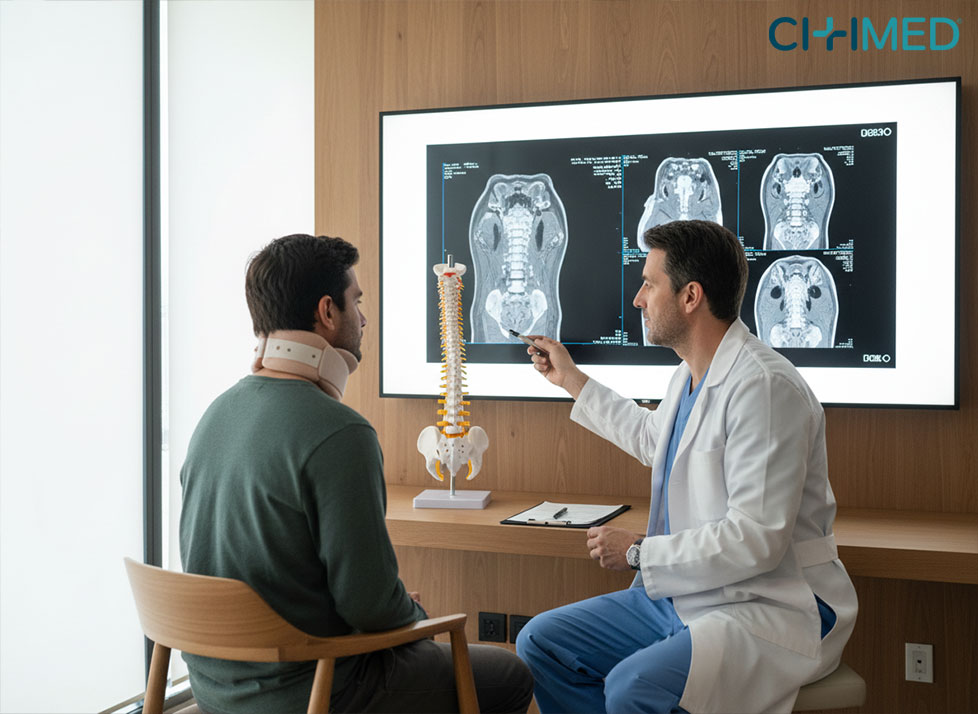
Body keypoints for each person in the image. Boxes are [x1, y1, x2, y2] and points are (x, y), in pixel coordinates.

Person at [180, 234, 533, 714]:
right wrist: (411, 613)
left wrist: (382, 605)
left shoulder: (215, 415)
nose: (364, 319)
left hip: (215, 687)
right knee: (510, 674)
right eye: (357, 302)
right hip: (314, 687)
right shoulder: (340, 432)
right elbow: (371, 607)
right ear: (327, 313)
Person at [515, 220, 857, 714]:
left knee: (634, 687)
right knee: (541, 644)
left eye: (649, 284)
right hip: (691, 590)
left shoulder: (763, 387)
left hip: (769, 602)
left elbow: (755, 539)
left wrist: (639, 552)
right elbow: (654, 439)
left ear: (691, 296)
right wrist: (571, 379)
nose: (638, 300)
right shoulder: (689, 376)